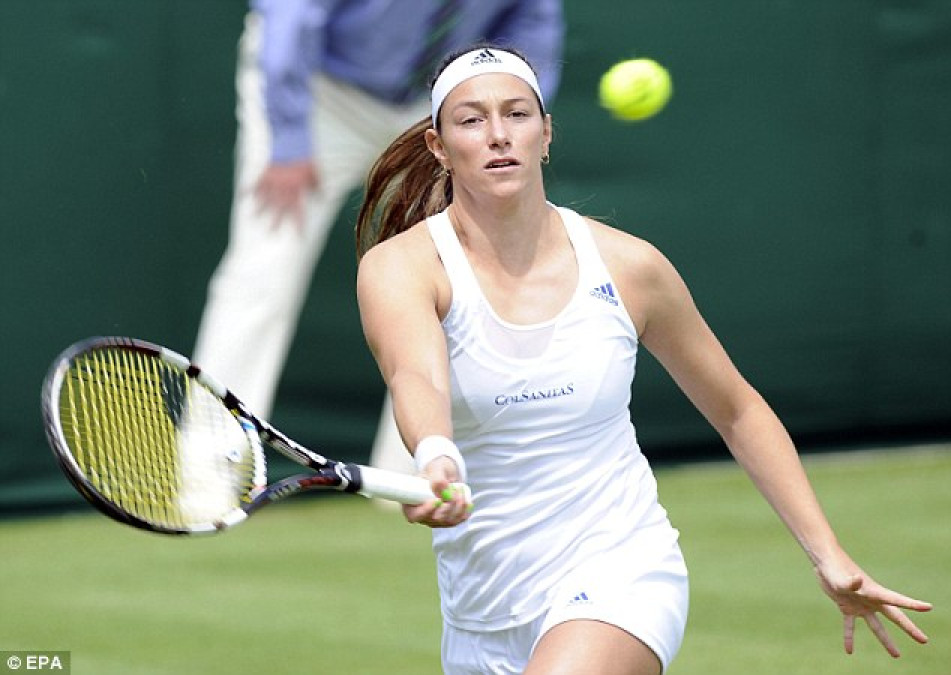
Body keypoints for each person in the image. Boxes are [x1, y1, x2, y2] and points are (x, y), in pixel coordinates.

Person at [353, 44, 933, 674]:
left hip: (620, 570)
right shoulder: (401, 269)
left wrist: (830, 556)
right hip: (481, 611)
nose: (498, 135)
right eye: (471, 120)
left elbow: (737, 410)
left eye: (517, 114)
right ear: (439, 147)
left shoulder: (631, 267)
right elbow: (416, 376)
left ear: (545, 134)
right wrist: (437, 453)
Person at [193, 0, 565, 477]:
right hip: (315, 89)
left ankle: (422, 473)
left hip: (431, 109)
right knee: (265, 271)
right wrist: (288, 138)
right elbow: (290, 16)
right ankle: (209, 472)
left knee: (455, 272)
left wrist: (511, 131)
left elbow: (530, 31)